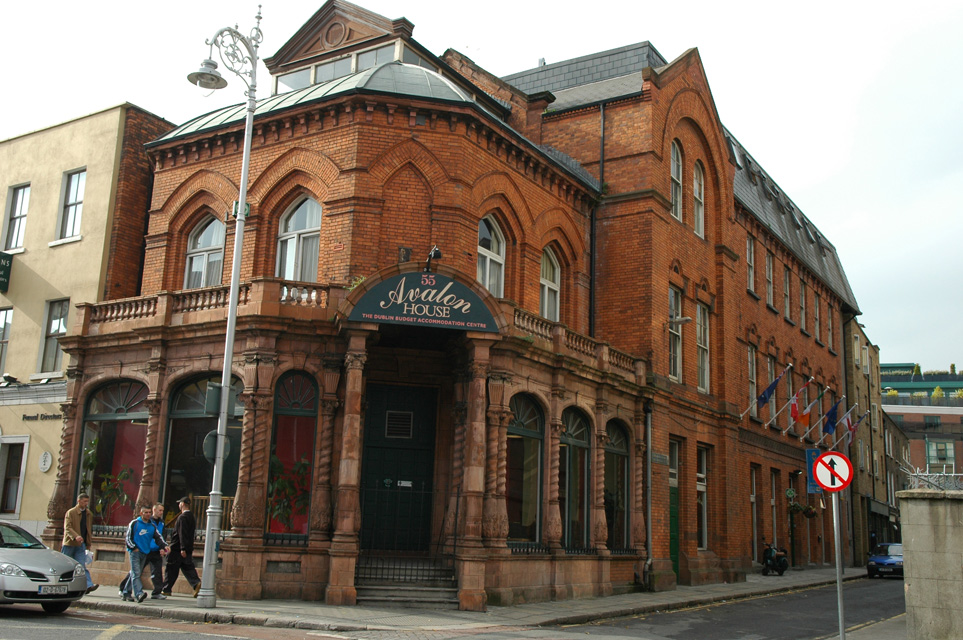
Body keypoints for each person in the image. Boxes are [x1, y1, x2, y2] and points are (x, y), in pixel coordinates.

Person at [119, 503, 168, 599]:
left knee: (135, 572)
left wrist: (165, 546)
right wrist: (134, 548)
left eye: (149, 512)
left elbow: (159, 538)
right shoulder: (134, 523)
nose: (148, 514)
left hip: (145, 552)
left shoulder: (152, 526)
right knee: (136, 573)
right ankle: (139, 593)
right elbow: (128, 538)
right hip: (135, 552)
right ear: (141, 513)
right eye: (146, 512)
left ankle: (126, 592)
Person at [162, 496, 201, 597]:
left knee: (171, 569)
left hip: (177, 548)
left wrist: (182, 548)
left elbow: (182, 533)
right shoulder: (191, 516)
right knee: (188, 567)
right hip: (187, 547)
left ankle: (166, 588)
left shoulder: (182, 517)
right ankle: (196, 583)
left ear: (182, 504)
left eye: (179, 503)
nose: (179, 505)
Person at [62, 493, 99, 594]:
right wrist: (75, 536)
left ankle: (88, 585)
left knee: (81, 565)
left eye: (87, 501)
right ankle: (62, 584)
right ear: (79, 501)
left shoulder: (88, 514)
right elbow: (68, 527)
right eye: (84, 501)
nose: (86, 504)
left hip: (81, 544)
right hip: (69, 543)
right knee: (65, 565)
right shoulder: (71, 512)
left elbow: (88, 529)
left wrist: (88, 543)